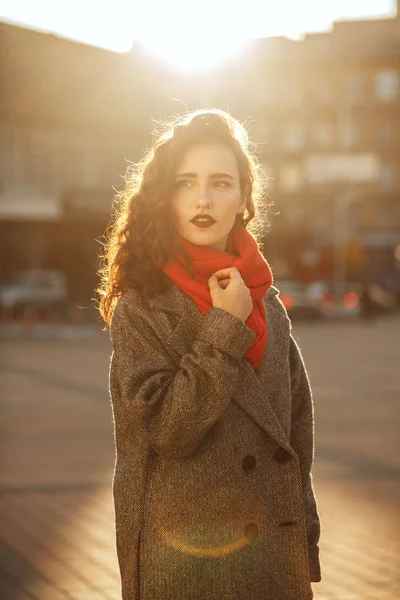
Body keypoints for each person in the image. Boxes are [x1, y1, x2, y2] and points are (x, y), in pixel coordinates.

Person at [97, 109, 321, 600]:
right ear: (166, 197)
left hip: (273, 562)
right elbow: (166, 430)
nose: (203, 199)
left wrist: (301, 539)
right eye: (185, 183)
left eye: (221, 183)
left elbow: (294, 431)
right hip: (183, 563)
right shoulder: (143, 306)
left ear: (244, 197)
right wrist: (223, 327)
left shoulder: (266, 302)